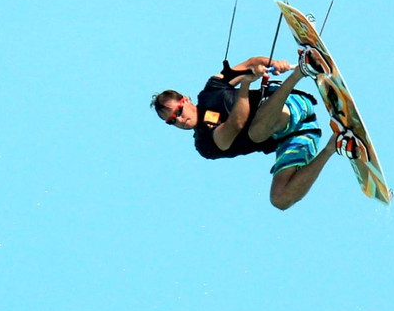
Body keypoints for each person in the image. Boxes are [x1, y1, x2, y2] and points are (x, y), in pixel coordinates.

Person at [152, 50, 362, 210]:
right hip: (296, 136)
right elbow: (236, 124)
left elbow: (252, 63)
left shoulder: (211, 90)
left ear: (185, 100)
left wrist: (272, 64)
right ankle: (335, 145)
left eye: (178, 112)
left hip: (291, 105)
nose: (179, 120)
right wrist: (245, 85)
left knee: (258, 132)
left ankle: (301, 71)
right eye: (172, 121)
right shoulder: (204, 145)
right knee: (279, 199)